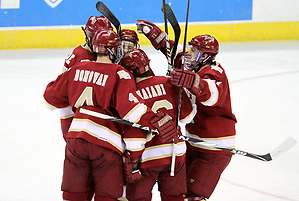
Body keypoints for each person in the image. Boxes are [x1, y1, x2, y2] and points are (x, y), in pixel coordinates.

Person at [43, 29, 178, 201]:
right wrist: (156, 120)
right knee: (107, 195)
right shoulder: (120, 73)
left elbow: (49, 99)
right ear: (112, 50)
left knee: (74, 193)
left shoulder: (77, 69)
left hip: (75, 140)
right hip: (106, 143)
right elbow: (132, 111)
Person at [137, 20, 237, 201]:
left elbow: (211, 95)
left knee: (192, 197)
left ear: (205, 56)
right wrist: (154, 34)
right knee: (178, 193)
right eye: (190, 49)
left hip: (214, 148)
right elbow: (172, 50)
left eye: (193, 51)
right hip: (192, 143)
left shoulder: (215, 73)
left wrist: (191, 82)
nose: (189, 54)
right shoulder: (191, 64)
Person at [121, 49, 197, 201]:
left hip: (148, 157)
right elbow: (188, 117)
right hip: (176, 152)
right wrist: (178, 89)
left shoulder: (133, 94)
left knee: (138, 198)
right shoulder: (168, 81)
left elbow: (134, 138)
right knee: (174, 197)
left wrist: (133, 162)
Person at [60, 15, 113, 139]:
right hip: (78, 117)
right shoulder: (77, 58)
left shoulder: (109, 52)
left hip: (101, 116)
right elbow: (62, 93)